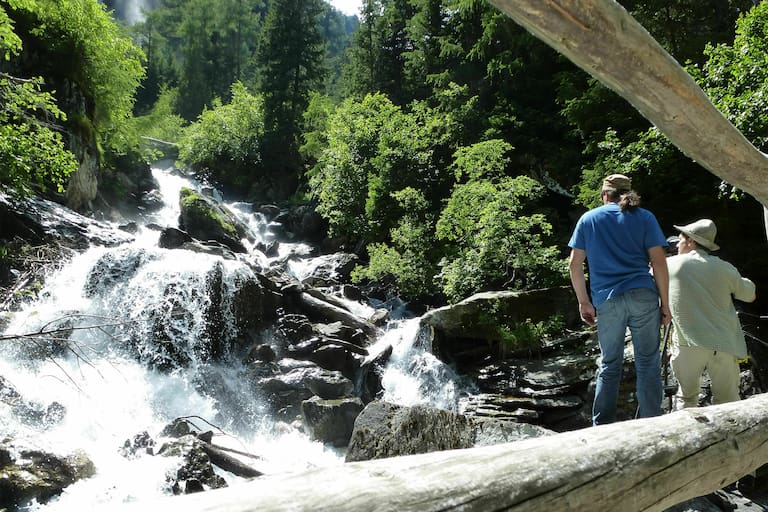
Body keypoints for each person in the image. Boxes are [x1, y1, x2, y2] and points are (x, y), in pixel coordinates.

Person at [568, 173, 671, 425]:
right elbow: (659, 263)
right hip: (643, 295)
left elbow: (574, 265)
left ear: (605, 195)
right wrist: (665, 304)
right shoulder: (645, 217)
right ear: (628, 193)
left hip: (607, 300)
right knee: (647, 360)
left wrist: (584, 302)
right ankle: (652, 423)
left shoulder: (588, 219)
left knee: (610, 363)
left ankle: (602, 427)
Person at [667, 218, 756, 408]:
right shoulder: (724, 267)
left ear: (691, 241)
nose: (677, 244)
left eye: (680, 239)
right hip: (724, 342)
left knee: (686, 398)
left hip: (688, 342)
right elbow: (749, 295)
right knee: (728, 402)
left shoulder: (670, 265)